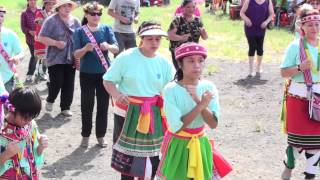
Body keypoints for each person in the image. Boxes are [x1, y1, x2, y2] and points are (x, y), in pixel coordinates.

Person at [103, 21, 175, 180]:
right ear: (141, 38)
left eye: (158, 39)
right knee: (128, 159)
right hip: (127, 112)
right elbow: (108, 80)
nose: (154, 43)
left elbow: (172, 88)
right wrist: (116, 94)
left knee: (155, 154)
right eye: (150, 39)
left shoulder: (164, 63)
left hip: (154, 112)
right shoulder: (126, 57)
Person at [156, 42, 231, 179]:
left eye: (200, 61)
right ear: (180, 64)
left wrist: (198, 101)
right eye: (191, 61)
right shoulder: (171, 90)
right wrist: (201, 104)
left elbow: (213, 124)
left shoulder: (209, 87)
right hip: (178, 144)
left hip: (200, 142)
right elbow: (177, 126)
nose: (197, 65)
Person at [280, 8, 320, 180]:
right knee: (297, 142)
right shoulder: (295, 46)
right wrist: (299, 68)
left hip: (318, 100)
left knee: (317, 143)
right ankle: (289, 165)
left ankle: (310, 175)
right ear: (302, 27)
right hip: (298, 99)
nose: (314, 28)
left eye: (317, 24)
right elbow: (283, 72)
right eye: (310, 24)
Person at [73, 1, 119, 148]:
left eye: (99, 13)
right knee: (87, 105)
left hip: (105, 75)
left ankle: (101, 136)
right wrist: (85, 49)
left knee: (103, 106)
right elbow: (76, 54)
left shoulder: (106, 29)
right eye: (92, 13)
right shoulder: (79, 32)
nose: (96, 16)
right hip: (86, 73)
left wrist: (108, 46)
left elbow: (116, 49)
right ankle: (85, 136)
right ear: (86, 14)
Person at [38, 0, 80, 117]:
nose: (67, 8)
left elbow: (80, 37)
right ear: (59, 7)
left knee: (69, 83)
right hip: (54, 57)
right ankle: (50, 99)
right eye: (64, 6)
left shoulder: (76, 21)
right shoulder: (51, 20)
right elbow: (41, 37)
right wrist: (56, 43)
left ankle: (65, 107)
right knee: (57, 82)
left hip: (70, 56)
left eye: (69, 6)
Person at [0, 87, 49, 179]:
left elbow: (34, 155)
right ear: (12, 110)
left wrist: (41, 146)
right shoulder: (1, 129)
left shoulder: (30, 125)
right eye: (26, 117)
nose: (29, 120)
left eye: (32, 116)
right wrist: (6, 154)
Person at [168, 0, 208, 70]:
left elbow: (205, 37)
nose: (191, 9)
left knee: (192, 71)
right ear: (182, 8)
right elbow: (170, 35)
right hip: (179, 52)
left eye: (193, 7)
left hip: (193, 51)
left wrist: (204, 33)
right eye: (188, 7)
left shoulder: (198, 20)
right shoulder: (177, 20)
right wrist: (181, 38)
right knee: (181, 72)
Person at [240, 0, 274, 78]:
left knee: (260, 49)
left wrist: (266, 22)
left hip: (261, 28)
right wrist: (246, 19)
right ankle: (251, 70)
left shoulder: (268, 1)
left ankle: (258, 68)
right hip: (250, 28)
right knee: (252, 47)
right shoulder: (249, 1)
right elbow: (241, 13)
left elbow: (272, 14)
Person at [0, 7, 24, 93]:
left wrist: (17, 57)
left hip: (7, 79)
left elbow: (21, 52)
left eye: (2, 16)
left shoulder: (10, 34)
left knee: (8, 104)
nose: (0, 18)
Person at [34, 0, 57, 82]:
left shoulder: (55, 14)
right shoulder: (39, 13)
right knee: (42, 59)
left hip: (52, 40)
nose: (50, 6)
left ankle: (48, 76)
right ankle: (38, 73)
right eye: (49, 4)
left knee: (50, 59)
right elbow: (39, 24)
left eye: (52, 4)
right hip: (42, 40)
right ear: (45, 5)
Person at [21, 0, 41, 83]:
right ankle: (29, 75)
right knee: (35, 56)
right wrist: (29, 31)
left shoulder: (40, 11)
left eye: (34, 0)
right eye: (31, 0)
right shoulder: (24, 13)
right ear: (28, 1)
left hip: (41, 39)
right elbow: (23, 27)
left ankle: (40, 74)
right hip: (31, 40)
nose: (33, 1)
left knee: (43, 57)